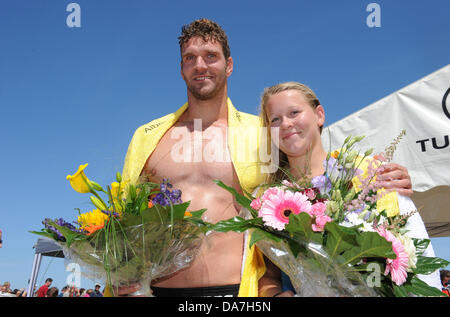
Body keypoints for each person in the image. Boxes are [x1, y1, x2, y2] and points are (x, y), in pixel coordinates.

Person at [119, 18, 413, 297]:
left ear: (229, 65)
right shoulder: (148, 137)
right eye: (190, 58)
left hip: (239, 291)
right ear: (181, 68)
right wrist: (119, 271)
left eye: (211, 56)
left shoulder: (263, 133)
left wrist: (372, 178)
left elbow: (312, 176)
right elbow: (124, 214)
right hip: (156, 290)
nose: (200, 65)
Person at [256, 81, 442, 295]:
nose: (286, 124)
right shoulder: (271, 202)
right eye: (275, 120)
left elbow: (419, 258)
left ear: (319, 115)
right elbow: (269, 275)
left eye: (294, 112)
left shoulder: (370, 175)